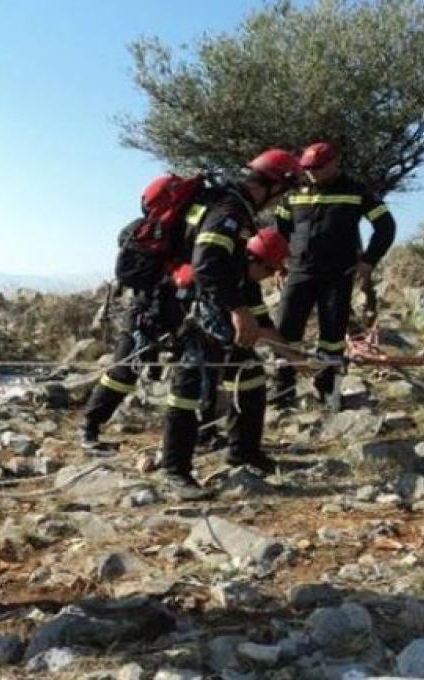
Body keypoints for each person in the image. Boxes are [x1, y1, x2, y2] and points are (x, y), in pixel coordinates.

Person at [161, 150, 302, 500]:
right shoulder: (229, 210)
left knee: (248, 373)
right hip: (195, 310)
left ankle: (244, 451)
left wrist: (289, 353)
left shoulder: (235, 207)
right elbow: (207, 264)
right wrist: (238, 311)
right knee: (188, 389)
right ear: (272, 185)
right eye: (283, 191)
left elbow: (237, 278)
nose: (281, 199)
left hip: (211, 303)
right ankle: (175, 471)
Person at [80, 177, 223, 453]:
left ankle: (89, 427)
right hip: (178, 308)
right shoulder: (196, 221)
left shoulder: (153, 229)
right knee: (198, 368)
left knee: (124, 371)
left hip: (145, 307)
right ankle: (205, 432)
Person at [271, 141, 396, 408]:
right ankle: (283, 388)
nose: (312, 173)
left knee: (332, 334)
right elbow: (280, 230)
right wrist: (278, 263)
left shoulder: (356, 190)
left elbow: (386, 226)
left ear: (334, 164)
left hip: (338, 274)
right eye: (307, 168)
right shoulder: (293, 191)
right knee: (286, 329)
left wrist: (369, 261)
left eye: (318, 167)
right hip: (299, 271)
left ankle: (327, 389)